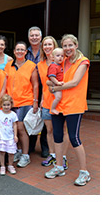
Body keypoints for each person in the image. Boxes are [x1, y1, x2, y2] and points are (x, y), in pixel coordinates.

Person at [44, 34, 91, 186]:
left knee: (74, 138)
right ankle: (59, 167)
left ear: (76, 45)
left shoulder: (83, 62)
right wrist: (51, 85)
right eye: (65, 46)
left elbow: (74, 82)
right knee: (57, 136)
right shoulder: (61, 61)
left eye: (70, 45)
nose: (67, 48)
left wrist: (54, 87)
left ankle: (84, 172)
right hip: (59, 105)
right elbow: (48, 79)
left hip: (74, 106)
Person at [4, 41, 39, 168]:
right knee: (13, 128)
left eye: (22, 50)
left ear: (26, 52)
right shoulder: (9, 66)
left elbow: (35, 84)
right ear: (14, 51)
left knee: (20, 128)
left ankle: (26, 155)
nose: (19, 51)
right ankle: (18, 151)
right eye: (17, 49)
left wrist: (35, 101)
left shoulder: (31, 65)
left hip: (26, 101)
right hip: (11, 102)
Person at [37, 36, 69, 169]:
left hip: (62, 101)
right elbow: (44, 84)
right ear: (42, 48)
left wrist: (51, 83)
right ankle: (52, 155)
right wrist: (42, 100)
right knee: (49, 130)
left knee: (63, 130)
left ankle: (63, 157)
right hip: (47, 102)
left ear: (54, 45)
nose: (47, 47)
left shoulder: (63, 61)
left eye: (50, 44)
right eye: (45, 45)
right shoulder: (40, 64)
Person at [25, 26, 49, 157]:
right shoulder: (25, 52)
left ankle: (44, 146)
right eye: (32, 35)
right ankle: (31, 145)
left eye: (36, 35)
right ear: (29, 37)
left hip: (45, 88)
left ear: (41, 37)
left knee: (45, 116)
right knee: (32, 116)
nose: (34, 38)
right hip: (30, 88)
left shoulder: (45, 51)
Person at [0, 94, 18, 175]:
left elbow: (14, 125)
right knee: (2, 152)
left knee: (11, 153)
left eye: (8, 105)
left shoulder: (13, 114)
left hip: (10, 137)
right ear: (1, 105)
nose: (6, 107)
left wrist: (15, 135)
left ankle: (10, 165)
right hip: (1, 137)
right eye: (4, 105)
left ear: (11, 104)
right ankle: (2, 166)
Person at [47, 48, 64, 115]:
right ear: (53, 57)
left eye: (62, 56)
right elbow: (51, 76)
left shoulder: (59, 65)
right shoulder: (53, 66)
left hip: (58, 84)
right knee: (58, 97)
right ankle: (53, 108)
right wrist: (57, 83)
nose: (60, 57)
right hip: (56, 85)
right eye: (58, 55)